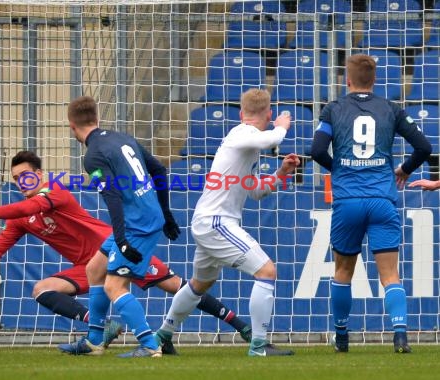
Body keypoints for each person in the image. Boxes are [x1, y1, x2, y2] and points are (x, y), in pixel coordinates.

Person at [0, 151, 252, 351]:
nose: (21, 181)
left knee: (177, 286)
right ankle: (101, 326)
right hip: (86, 266)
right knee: (42, 289)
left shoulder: (55, 192)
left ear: (38, 174)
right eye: (15, 178)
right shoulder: (21, 218)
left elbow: (40, 204)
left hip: (117, 248)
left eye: (25, 175)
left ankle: (241, 326)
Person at [154, 88, 299, 357]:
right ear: (267, 114)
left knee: (200, 284)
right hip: (217, 222)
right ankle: (258, 345)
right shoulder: (244, 133)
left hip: (209, 221)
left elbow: (254, 191)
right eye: (271, 116)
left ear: (242, 112)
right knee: (267, 272)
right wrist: (282, 126)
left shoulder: (246, 143)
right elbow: (272, 139)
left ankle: (163, 335)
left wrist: (280, 173)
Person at [311, 53, 432, 354]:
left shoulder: (333, 109)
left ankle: (341, 336)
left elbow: (316, 150)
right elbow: (424, 147)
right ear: (374, 80)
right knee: (390, 273)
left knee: (342, 271)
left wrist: (338, 168)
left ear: (346, 80)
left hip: (348, 201)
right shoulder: (391, 108)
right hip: (382, 200)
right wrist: (404, 170)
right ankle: (400, 334)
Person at [59, 95, 185, 358]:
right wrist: (167, 214)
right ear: (97, 118)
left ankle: (150, 346)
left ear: (72, 126)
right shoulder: (123, 138)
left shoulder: (93, 156)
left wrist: (122, 239)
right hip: (143, 218)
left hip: (136, 226)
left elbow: (113, 197)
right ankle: (94, 340)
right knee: (95, 269)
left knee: (114, 286)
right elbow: (159, 170)